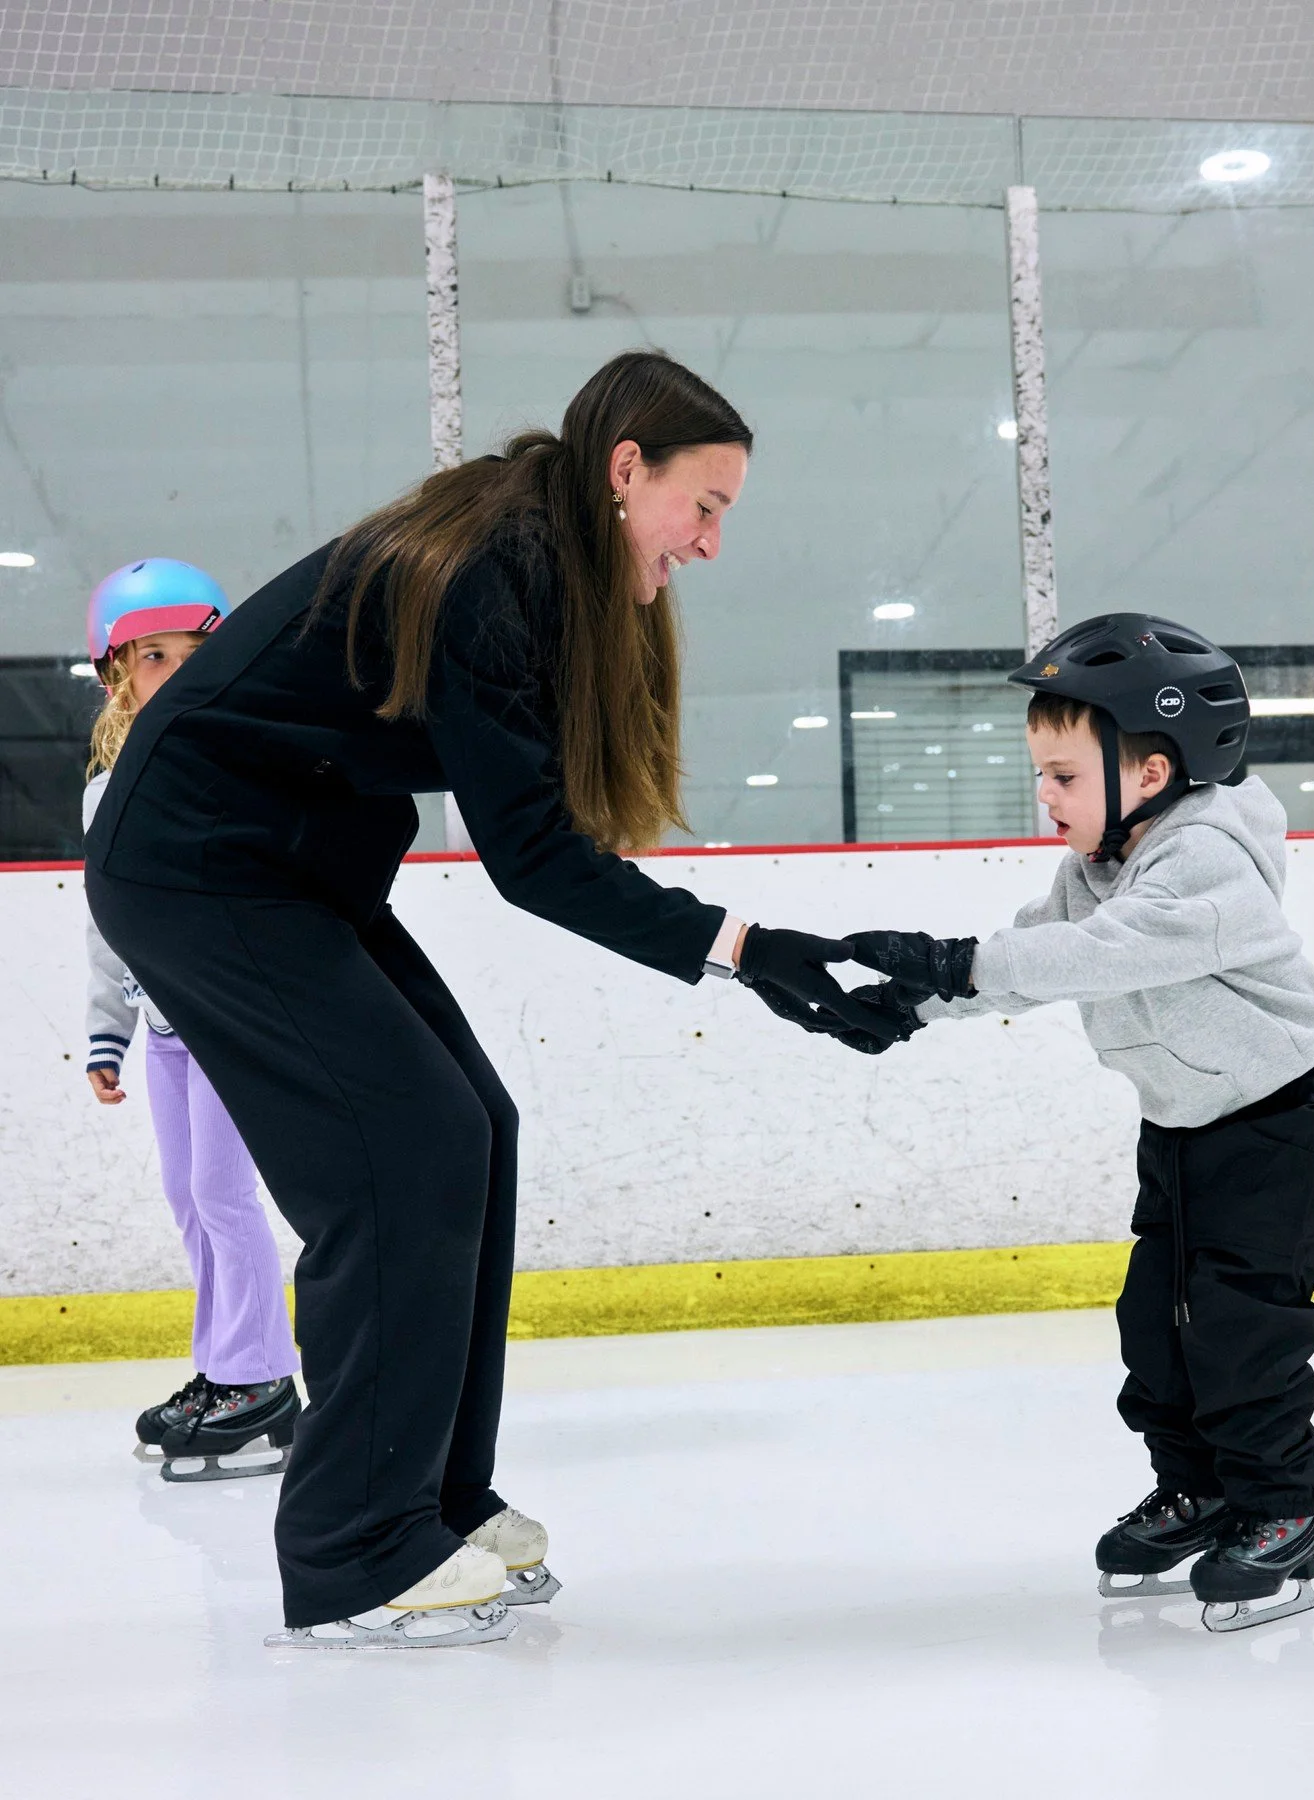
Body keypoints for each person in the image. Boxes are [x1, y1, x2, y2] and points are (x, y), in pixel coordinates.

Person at [85, 351, 900, 1651]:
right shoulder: (495, 571)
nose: (713, 541)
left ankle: (434, 1502)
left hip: (293, 870)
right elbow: (534, 862)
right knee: (400, 1156)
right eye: (705, 505)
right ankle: (355, 1547)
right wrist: (755, 953)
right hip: (202, 873)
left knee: (474, 1127)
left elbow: (549, 821)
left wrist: (757, 957)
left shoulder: (540, 568)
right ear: (626, 471)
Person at [847, 614, 1314, 1633]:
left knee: (1240, 1332)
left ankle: (1280, 1512)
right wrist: (915, 1002)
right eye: (1040, 773)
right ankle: (1201, 1490)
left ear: (1153, 768)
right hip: (1185, 1125)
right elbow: (1043, 950)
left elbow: (1105, 954)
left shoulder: (1209, 862)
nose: (1044, 796)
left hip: (1284, 1128)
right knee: (1157, 1326)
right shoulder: (1101, 861)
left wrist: (948, 958)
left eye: (1064, 775)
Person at [83, 560, 300, 1482]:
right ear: (117, 673)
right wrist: (107, 1030)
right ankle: (223, 1370)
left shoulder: (236, 763)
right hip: (166, 1027)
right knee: (188, 1197)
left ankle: (261, 1380)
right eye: (153, 657)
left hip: (232, 1019)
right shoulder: (105, 791)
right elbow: (108, 918)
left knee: (222, 1192)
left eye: (191, 655)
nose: (172, 673)